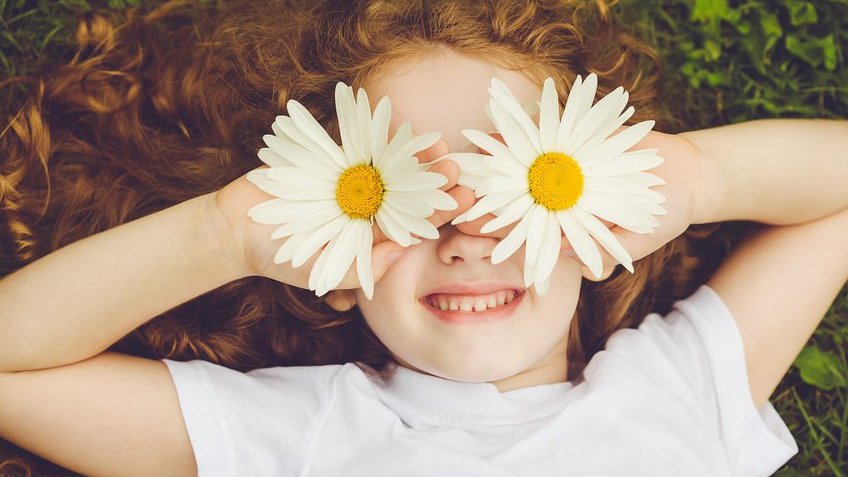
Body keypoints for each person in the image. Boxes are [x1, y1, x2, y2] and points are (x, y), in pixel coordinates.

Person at [0, 0, 845, 476]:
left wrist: (694, 179)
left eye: (511, 183)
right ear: (328, 259)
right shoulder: (289, 436)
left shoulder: (679, 385)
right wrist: (224, 234)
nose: (467, 232)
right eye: (405, 197)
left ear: (597, 227)